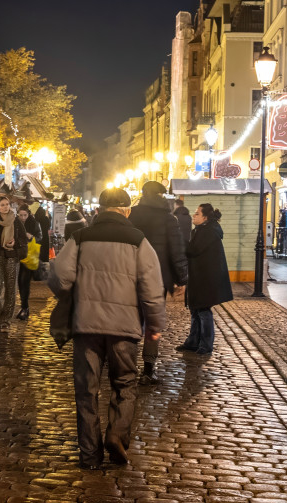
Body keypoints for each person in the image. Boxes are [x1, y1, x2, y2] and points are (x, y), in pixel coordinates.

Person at [49, 188, 166, 469]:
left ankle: (89, 454)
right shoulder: (139, 241)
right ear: (126, 211)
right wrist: (155, 326)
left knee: (86, 390)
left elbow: (59, 279)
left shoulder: (80, 237)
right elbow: (152, 290)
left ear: (99, 210)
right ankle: (116, 435)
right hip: (124, 329)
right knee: (125, 383)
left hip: (86, 327)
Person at [127, 180, 187, 385]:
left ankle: (125, 363)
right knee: (153, 324)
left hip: (131, 275)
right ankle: (149, 368)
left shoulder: (132, 215)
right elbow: (176, 250)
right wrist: (182, 279)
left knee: (131, 320)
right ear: (161, 196)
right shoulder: (168, 218)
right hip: (158, 278)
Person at [177, 203, 232, 356]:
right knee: (196, 310)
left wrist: (180, 240)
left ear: (205, 217)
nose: (194, 216)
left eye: (197, 213)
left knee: (203, 311)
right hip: (200, 277)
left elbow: (193, 250)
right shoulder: (203, 230)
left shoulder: (207, 232)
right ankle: (193, 342)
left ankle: (206, 345)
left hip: (206, 279)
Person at [0, 196, 27, 329]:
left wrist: (15, 243)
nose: (5, 207)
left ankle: (6, 319)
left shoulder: (16, 221)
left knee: (10, 288)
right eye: (2, 205)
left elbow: (23, 240)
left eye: (7, 204)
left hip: (11, 257)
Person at [15, 204, 43, 320]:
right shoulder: (15, 223)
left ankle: (25, 307)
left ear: (29, 214)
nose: (22, 217)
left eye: (25, 215)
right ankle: (23, 307)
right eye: (20, 215)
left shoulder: (34, 223)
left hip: (29, 255)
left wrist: (31, 237)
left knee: (24, 281)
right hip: (17, 255)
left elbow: (40, 236)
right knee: (19, 282)